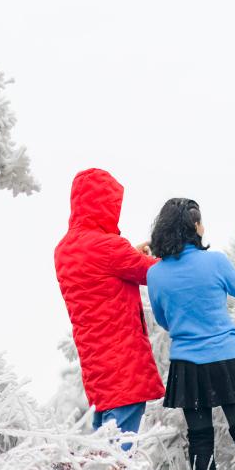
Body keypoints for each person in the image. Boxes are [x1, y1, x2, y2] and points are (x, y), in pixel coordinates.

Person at [146, 198, 235, 470]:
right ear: (194, 226)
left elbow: (165, 320)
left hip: (187, 365)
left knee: (200, 437)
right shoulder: (215, 261)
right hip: (227, 357)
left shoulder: (155, 274)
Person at [53, 168, 165, 450]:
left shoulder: (64, 249)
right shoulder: (109, 247)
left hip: (96, 365)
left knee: (103, 440)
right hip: (122, 359)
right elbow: (156, 274)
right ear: (104, 205)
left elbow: (103, 273)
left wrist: (130, 253)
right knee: (120, 448)